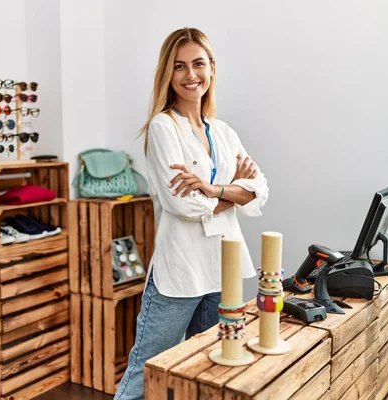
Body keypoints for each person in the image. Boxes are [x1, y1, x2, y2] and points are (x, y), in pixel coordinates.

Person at [114, 27, 269, 400]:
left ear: (212, 67)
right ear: (168, 74)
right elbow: (182, 204)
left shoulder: (224, 132)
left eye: (198, 64)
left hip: (223, 268)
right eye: (179, 66)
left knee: (209, 369)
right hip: (180, 273)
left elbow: (260, 190)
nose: (190, 75)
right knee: (145, 372)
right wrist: (235, 192)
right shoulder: (163, 127)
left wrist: (212, 189)